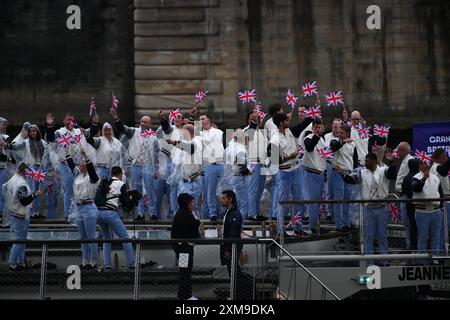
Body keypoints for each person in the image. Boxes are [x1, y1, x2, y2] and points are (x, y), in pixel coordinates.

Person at [337, 152, 397, 266]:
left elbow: (392, 173)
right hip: (368, 208)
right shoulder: (361, 172)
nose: (365, 163)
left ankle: (385, 261)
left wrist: (392, 161)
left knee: (382, 236)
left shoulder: (383, 170)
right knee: (368, 237)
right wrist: (342, 174)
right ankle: (369, 262)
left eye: (367, 161)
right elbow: (351, 179)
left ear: (374, 161)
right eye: (365, 161)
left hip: (382, 208)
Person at [111, 108, 160, 221]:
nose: (142, 123)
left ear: (150, 124)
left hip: (149, 165)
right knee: (137, 191)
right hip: (136, 165)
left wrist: (157, 169)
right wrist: (115, 118)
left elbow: (156, 154)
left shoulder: (153, 137)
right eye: (141, 121)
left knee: (150, 189)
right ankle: (141, 213)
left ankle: (153, 213)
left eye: (145, 122)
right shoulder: (133, 132)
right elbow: (122, 128)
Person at [2, 162, 42, 271]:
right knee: (19, 241)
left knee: (21, 241)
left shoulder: (14, 178)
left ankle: (20, 263)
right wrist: (35, 195)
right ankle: (13, 264)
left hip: (14, 212)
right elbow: (24, 201)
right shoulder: (21, 184)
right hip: (20, 215)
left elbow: (3, 188)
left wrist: (10, 203)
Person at [48, 113, 89, 219]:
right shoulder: (59, 132)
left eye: (71, 119)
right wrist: (50, 126)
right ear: (63, 121)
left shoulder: (78, 131)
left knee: (80, 187)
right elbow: (52, 142)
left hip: (79, 164)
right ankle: (68, 214)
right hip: (65, 164)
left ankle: (78, 212)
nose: (69, 121)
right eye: (67, 120)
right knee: (69, 189)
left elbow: (85, 141)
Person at [268, 113, 304, 234]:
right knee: (282, 202)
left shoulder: (289, 131)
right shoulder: (274, 139)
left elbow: (301, 125)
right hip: (284, 173)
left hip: (296, 169)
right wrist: (289, 157)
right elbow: (273, 160)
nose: (289, 122)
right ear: (281, 123)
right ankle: (280, 231)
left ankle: (298, 228)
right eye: (286, 120)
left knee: (299, 200)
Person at [96, 166, 136, 271]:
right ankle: (132, 263)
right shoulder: (121, 184)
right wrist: (133, 200)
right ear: (120, 174)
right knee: (125, 238)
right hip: (110, 213)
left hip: (99, 213)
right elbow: (126, 205)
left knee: (107, 238)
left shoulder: (105, 182)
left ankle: (107, 265)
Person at [67, 147, 100, 270]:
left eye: (83, 165)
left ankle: (94, 261)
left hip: (89, 207)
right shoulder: (78, 175)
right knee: (83, 237)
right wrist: (67, 150)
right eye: (80, 166)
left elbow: (91, 170)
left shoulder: (93, 177)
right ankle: (85, 260)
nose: (81, 167)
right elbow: (70, 165)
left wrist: (86, 156)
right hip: (79, 208)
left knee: (91, 236)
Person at [412, 157, 449, 262]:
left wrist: (440, 208)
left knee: (436, 238)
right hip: (422, 211)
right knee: (422, 238)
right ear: (419, 165)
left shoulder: (435, 177)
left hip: (436, 211)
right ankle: (421, 262)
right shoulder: (416, 177)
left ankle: (435, 260)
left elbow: (440, 194)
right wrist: (423, 179)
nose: (426, 165)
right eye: (423, 163)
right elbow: (416, 188)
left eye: (427, 163)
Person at [9, 125, 48, 219]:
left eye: (34, 131)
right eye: (30, 131)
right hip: (30, 168)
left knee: (38, 190)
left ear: (37, 132)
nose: (32, 133)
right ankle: (29, 211)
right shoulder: (25, 142)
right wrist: (8, 145)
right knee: (31, 189)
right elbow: (16, 147)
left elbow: (47, 156)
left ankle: (36, 212)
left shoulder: (43, 143)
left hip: (40, 168)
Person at [171, 193, 201, 300]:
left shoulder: (184, 213)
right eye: (191, 202)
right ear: (186, 203)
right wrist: (195, 217)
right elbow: (195, 223)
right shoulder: (183, 214)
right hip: (183, 249)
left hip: (185, 248)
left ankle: (184, 294)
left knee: (186, 271)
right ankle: (185, 295)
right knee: (185, 271)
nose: (193, 204)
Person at [167, 124, 203, 211]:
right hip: (184, 181)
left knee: (191, 208)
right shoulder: (187, 142)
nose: (182, 135)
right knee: (183, 208)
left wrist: (174, 143)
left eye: (183, 133)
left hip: (192, 182)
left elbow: (190, 149)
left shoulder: (197, 141)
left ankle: (194, 224)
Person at [329, 124, 358, 231]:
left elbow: (354, 160)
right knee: (339, 200)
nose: (339, 134)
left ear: (347, 133)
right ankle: (339, 224)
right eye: (339, 132)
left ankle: (347, 222)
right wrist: (343, 142)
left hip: (349, 173)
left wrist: (355, 173)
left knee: (347, 200)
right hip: (338, 173)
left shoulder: (353, 145)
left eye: (342, 133)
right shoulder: (334, 141)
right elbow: (333, 148)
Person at [196, 112, 224, 222]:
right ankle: (213, 213)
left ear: (209, 120)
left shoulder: (219, 132)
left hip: (221, 163)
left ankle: (224, 211)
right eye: (199, 119)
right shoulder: (199, 135)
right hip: (209, 165)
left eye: (203, 118)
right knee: (210, 191)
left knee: (223, 189)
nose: (200, 121)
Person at [159, 110, 185, 219]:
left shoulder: (186, 130)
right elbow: (166, 127)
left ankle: (183, 210)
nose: (177, 119)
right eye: (176, 118)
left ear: (183, 120)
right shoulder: (172, 129)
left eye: (180, 117)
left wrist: (193, 116)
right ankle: (174, 212)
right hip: (174, 162)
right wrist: (163, 119)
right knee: (173, 188)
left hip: (185, 163)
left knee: (183, 188)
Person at [303, 120, 327, 234]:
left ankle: (316, 224)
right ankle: (312, 226)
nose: (318, 129)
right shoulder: (309, 137)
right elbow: (309, 148)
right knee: (313, 201)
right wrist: (316, 136)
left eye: (320, 127)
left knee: (317, 201)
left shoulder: (322, 140)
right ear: (312, 128)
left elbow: (324, 156)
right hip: (312, 173)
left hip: (320, 173)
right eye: (316, 127)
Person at [243, 112, 268, 221]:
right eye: (251, 118)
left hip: (262, 163)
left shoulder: (261, 133)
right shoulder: (246, 131)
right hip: (252, 162)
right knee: (252, 190)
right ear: (248, 120)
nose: (254, 120)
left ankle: (257, 211)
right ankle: (251, 213)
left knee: (260, 190)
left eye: (256, 118)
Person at [227, 129, 253, 220]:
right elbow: (241, 164)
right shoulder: (240, 148)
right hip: (239, 177)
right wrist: (249, 171)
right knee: (245, 203)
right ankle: (239, 226)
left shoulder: (233, 146)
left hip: (235, 176)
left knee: (239, 203)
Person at [394, 142, 414, 250]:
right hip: (402, 195)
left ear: (404, 151)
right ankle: (409, 244)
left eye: (399, 150)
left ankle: (410, 246)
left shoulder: (410, 160)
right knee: (406, 223)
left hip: (406, 195)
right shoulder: (404, 161)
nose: (397, 152)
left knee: (408, 223)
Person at [430, 148, 450, 251]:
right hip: (444, 201)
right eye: (445, 157)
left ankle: (442, 249)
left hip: (446, 200)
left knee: (444, 228)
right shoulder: (436, 167)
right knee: (443, 228)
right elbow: (443, 171)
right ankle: (441, 251)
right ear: (441, 158)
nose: (446, 158)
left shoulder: (438, 167)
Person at [220, 190, 243, 275]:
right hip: (228, 246)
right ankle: (236, 287)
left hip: (232, 247)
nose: (221, 200)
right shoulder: (228, 212)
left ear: (230, 199)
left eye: (223, 198)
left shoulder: (234, 214)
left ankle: (237, 287)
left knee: (234, 270)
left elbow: (233, 233)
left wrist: (227, 249)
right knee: (232, 269)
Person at [324, 119, 343, 221]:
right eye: (333, 125)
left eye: (337, 126)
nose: (335, 127)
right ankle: (329, 212)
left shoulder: (343, 137)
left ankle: (338, 213)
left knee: (339, 192)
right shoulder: (327, 136)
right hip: (330, 164)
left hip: (340, 165)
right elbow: (329, 149)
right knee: (329, 190)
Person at [401, 158, 420, 251]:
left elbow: (403, 191)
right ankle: (416, 248)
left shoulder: (406, 177)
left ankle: (412, 248)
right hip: (416, 205)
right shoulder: (417, 177)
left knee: (412, 226)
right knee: (416, 227)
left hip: (408, 204)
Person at [0, 117, 12, 223]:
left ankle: (2, 214)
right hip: (2, 165)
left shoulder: (5, 137)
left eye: (5, 124)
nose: (4, 126)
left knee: (3, 191)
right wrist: (7, 158)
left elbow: (10, 149)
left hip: (3, 167)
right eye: (3, 124)